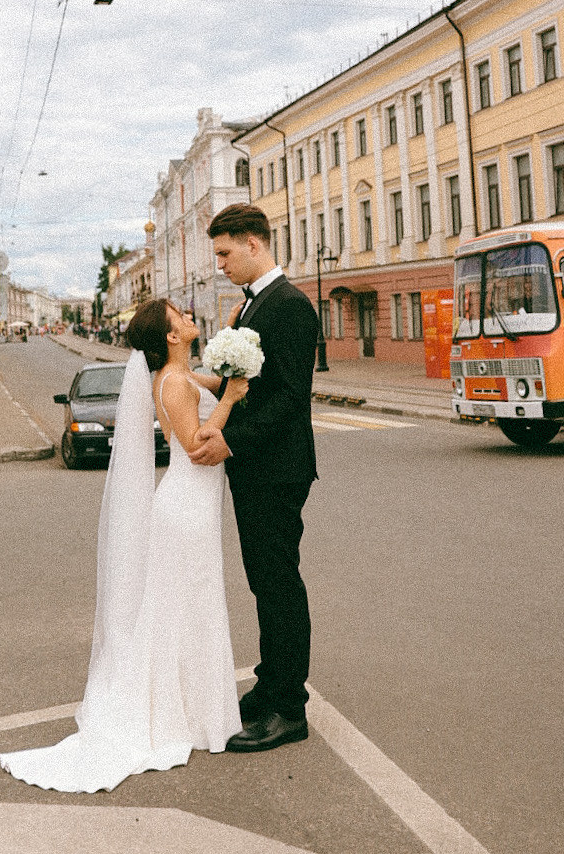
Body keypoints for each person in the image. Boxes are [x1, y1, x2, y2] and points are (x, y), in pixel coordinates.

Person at [0, 299, 249, 792]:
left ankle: (195, 709)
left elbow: (217, 383)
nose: (189, 316)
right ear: (171, 336)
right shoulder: (174, 382)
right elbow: (197, 446)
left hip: (191, 507)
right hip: (185, 507)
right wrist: (232, 399)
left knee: (188, 607)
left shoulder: (185, 374)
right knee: (185, 606)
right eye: (180, 315)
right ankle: (190, 715)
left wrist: (236, 368)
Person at [190, 203, 319, 753]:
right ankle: (271, 685)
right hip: (256, 468)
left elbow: (291, 397)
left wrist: (231, 440)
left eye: (224, 253)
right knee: (264, 582)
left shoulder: (287, 306)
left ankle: (288, 708)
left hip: (276, 468)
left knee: (278, 583)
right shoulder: (253, 307)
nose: (219, 263)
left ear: (254, 245)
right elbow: (241, 383)